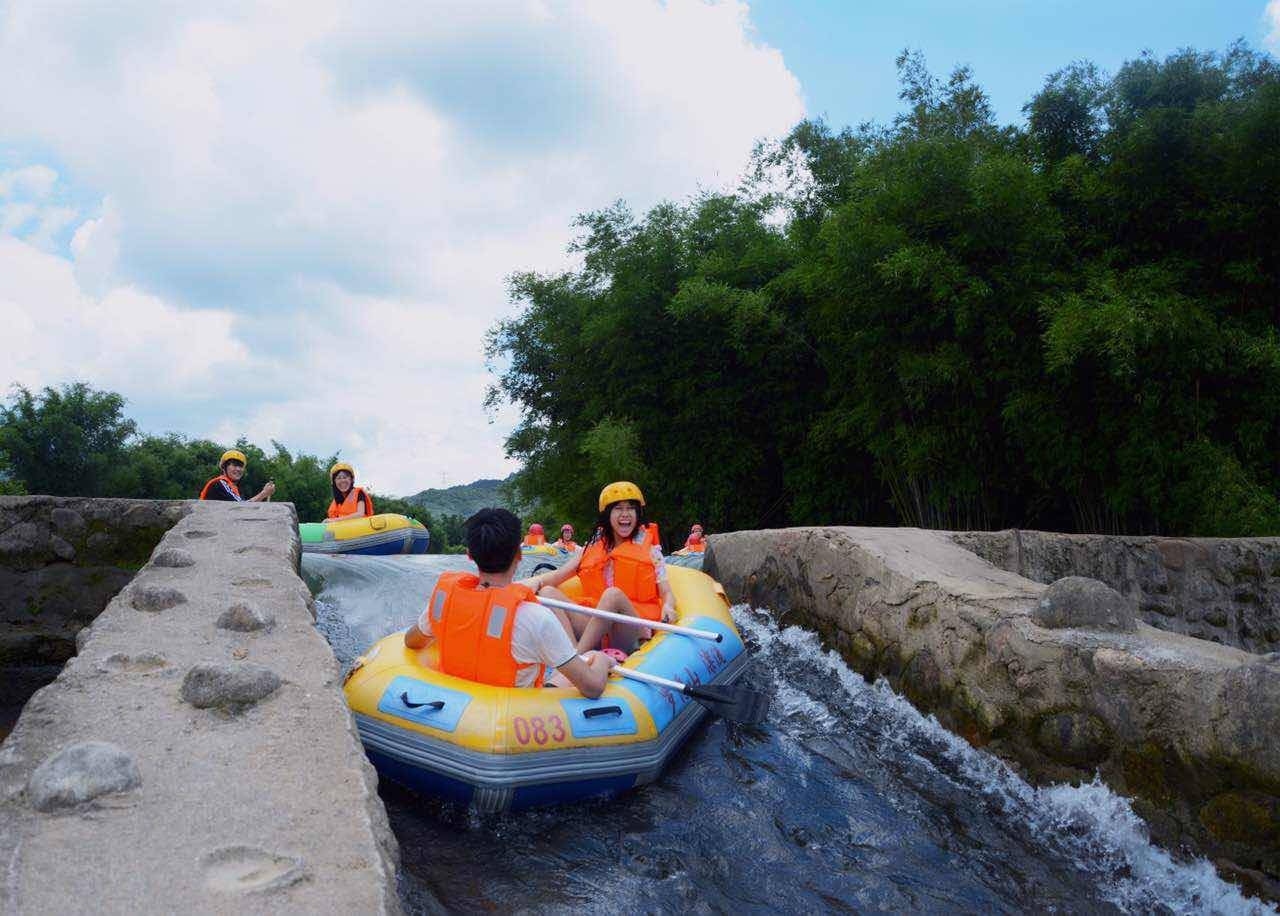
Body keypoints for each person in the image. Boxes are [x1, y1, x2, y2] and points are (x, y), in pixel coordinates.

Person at [403, 508, 615, 697]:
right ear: (519, 554)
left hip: (459, 701)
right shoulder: (536, 618)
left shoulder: (442, 601)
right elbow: (592, 688)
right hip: (515, 713)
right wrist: (602, 660)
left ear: (469, 556)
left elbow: (412, 641)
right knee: (590, 656)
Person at [529, 481, 675, 655]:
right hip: (596, 628)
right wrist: (533, 584)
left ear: (638, 514)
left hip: (630, 628)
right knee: (547, 592)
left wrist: (669, 606)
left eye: (630, 508)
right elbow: (557, 576)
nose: (625, 514)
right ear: (608, 514)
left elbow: (666, 591)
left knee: (612, 595)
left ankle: (575, 661)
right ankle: (574, 652)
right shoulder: (590, 550)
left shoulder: (652, 553)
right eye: (618, 508)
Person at [199, 449, 275, 502]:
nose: (238, 469)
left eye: (241, 466)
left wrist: (264, 494)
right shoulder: (220, 483)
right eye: (234, 465)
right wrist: (263, 494)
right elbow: (240, 508)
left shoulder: (234, 488)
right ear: (224, 468)